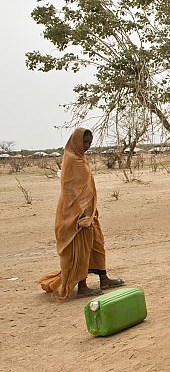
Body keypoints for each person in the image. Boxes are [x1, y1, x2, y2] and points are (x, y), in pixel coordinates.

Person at [38, 128, 125, 299]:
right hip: (76, 216)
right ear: (76, 141)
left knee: (97, 244)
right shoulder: (71, 160)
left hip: (90, 213)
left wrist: (91, 211)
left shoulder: (80, 158)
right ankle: (82, 286)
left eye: (90, 143)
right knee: (81, 250)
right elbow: (71, 191)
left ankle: (104, 278)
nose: (87, 146)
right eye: (84, 142)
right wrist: (80, 215)